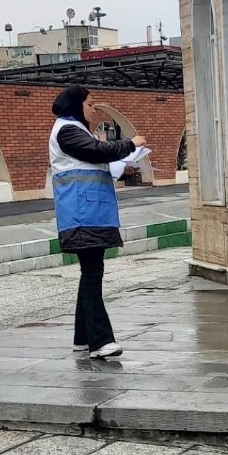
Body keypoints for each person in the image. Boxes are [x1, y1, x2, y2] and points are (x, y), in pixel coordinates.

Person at [48, 84, 146, 357]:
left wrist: (123, 168)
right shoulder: (67, 130)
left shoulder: (75, 131)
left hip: (89, 213)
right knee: (92, 273)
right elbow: (96, 151)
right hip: (82, 215)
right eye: (90, 104)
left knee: (90, 272)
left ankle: (83, 338)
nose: (94, 110)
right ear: (75, 104)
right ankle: (101, 342)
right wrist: (130, 145)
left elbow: (93, 161)